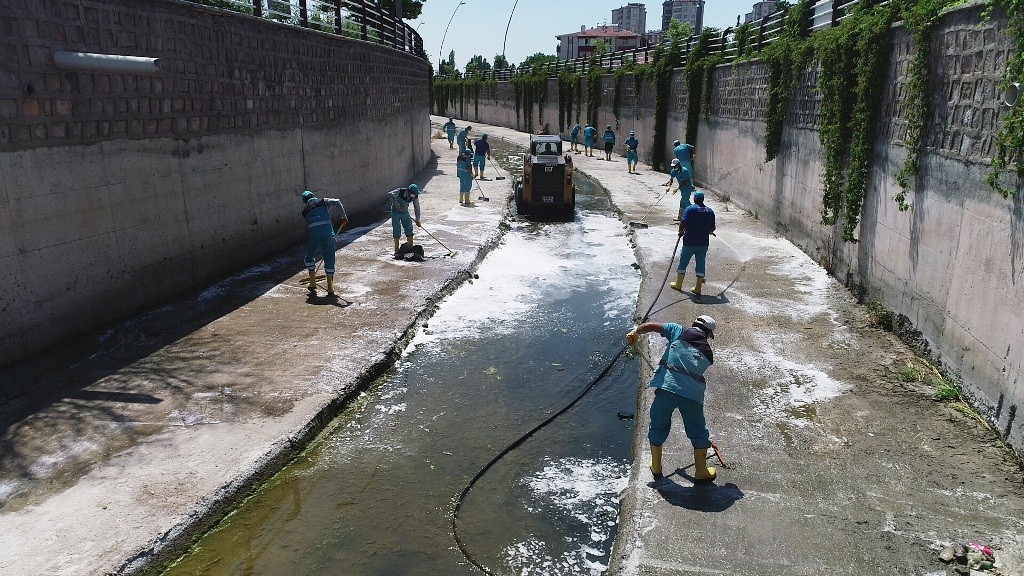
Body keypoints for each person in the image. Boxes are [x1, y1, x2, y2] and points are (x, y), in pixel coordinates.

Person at [626, 315, 719, 481]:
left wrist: (635, 333)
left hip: (667, 390)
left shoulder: (678, 330)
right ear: (707, 334)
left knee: (657, 425)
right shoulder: (707, 353)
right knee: (698, 431)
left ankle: (656, 466)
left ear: (693, 324)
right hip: (693, 395)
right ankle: (701, 471)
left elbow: (649, 326)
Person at [300, 190, 348, 296]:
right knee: (329, 257)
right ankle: (330, 287)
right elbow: (337, 201)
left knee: (309, 256)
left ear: (305, 201)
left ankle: (312, 282)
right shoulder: (322, 201)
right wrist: (344, 216)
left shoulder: (305, 211)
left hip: (314, 235)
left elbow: (311, 224)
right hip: (327, 234)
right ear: (313, 195)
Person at [670, 190, 715, 297]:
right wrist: (709, 230)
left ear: (694, 199)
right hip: (703, 243)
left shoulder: (690, 209)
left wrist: (680, 231)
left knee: (683, 262)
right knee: (701, 263)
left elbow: (683, 222)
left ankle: (678, 284)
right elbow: (712, 228)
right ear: (703, 199)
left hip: (689, 242)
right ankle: (698, 288)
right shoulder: (710, 211)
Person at [388, 184, 421, 258]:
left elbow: (417, 207)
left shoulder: (415, 196)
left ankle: (410, 248)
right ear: (409, 191)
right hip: (395, 212)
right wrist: (397, 204)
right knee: (396, 227)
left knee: (409, 227)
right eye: (413, 194)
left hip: (404, 212)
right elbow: (389, 195)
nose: (414, 195)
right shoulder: (400, 191)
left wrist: (417, 219)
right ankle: (397, 250)